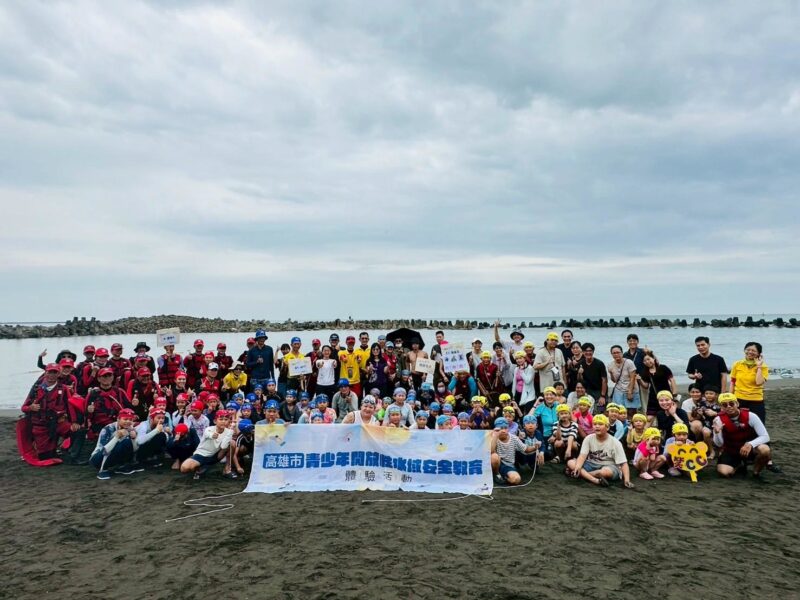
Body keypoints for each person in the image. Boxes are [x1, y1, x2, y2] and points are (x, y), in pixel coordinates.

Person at [20, 363, 78, 461]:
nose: (52, 375)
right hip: (41, 427)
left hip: (58, 423)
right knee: (45, 457)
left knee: (78, 431)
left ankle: (72, 454)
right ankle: (48, 448)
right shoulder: (36, 389)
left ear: (58, 374)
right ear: (45, 373)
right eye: (50, 372)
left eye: (55, 372)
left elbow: (70, 407)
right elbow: (23, 408)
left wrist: (74, 422)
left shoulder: (63, 388)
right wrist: (31, 407)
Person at [713, 393, 771, 478]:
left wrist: (750, 444)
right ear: (721, 407)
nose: (729, 407)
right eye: (725, 405)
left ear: (737, 404)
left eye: (731, 403)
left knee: (765, 449)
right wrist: (717, 433)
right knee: (724, 472)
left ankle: (756, 472)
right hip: (731, 450)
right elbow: (719, 444)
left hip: (749, 449)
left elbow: (765, 436)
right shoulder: (718, 420)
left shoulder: (751, 416)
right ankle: (739, 465)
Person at [567, 414, 634, 488]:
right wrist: (578, 467)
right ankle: (595, 480)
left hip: (609, 466)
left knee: (604, 472)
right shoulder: (588, 438)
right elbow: (582, 456)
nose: (597, 426)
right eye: (595, 424)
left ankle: (579, 474)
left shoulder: (615, 442)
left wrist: (627, 480)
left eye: (600, 424)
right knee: (571, 462)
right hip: (591, 464)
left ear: (607, 427)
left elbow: (623, 463)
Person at [180, 409, 233, 479]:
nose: (223, 421)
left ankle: (227, 469)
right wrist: (212, 435)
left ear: (229, 421)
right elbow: (208, 434)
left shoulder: (229, 431)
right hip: (201, 455)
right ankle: (200, 468)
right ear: (215, 421)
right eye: (221, 419)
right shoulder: (209, 429)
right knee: (184, 468)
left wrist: (231, 431)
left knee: (232, 443)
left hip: (215, 455)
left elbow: (223, 446)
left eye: (226, 419)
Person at [90, 408, 141, 480]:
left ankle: (122, 466)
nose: (128, 421)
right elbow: (104, 450)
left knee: (127, 442)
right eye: (125, 419)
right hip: (97, 458)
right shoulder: (107, 429)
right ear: (118, 419)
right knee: (117, 444)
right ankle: (103, 469)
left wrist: (133, 439)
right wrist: (116, 437)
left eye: (130, 419)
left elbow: (135, 449)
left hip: (112, 457)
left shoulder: (131, 429)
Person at [729, 342, 769, 423]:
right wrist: (730, 398)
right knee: (738, 424)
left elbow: (759, 382)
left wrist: (759, 366)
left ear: (759, 353)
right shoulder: (737, 364)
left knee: (758, 423)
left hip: (756, 399)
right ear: (744, 350)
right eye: (748, 349)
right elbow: (733, 382)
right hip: (738, 399)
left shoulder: (763, 366)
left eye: (753, 351)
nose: (750, 352)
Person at [638, 350, 676, 419]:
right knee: (649, 418)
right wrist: (639, 379)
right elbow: (646, 386)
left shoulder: (663, 368)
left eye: (648, 359)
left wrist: (674, 393)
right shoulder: (645, 372)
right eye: (644, 361)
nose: (647, 362)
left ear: (654, 358)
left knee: (669, 415)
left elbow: (672, 380)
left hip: (666, 395)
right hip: (653, 397)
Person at [607, 345, 639, 417]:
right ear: (611, 354)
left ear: (622, 353)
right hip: (618, 391)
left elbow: (633, 378)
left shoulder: (629, 362)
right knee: (618, 411)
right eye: (614, 353)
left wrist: (630, 392)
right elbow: (614, 381)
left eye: (618, 352)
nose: (616, 354)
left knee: (631, 412)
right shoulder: (610, 365)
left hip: (630, 389)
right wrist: (611, 373)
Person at [577, 343, 607, 410]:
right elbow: (579, 380)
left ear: (593, 352)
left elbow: (604, 380)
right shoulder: (580, 363)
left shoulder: (599, 363)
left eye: (590, 351)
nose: (588, 353)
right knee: (587, 410)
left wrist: (603, 396)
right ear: (582, 352)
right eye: (586, 351)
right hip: (587, 391)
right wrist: (579, 373)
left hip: (599, 391)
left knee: (601, 410)